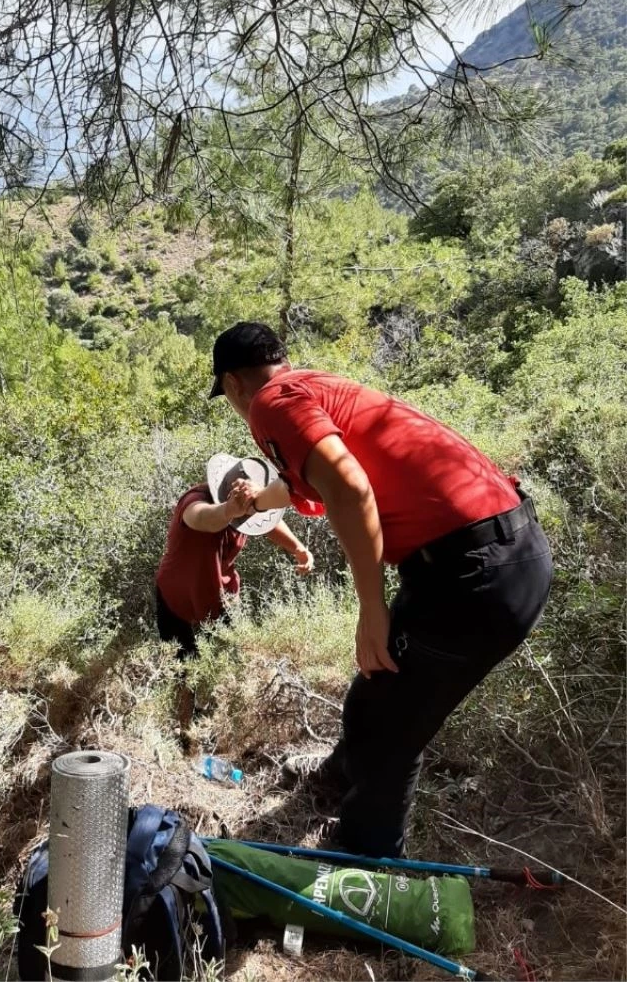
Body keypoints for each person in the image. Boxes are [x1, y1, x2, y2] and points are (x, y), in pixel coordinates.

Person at [208, 321, 553, 857]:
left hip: (474, 572)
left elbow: (348, 485)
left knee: (388, 719)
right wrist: (260, 500)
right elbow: (320, 478)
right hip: (507, 552)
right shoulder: (313, 386)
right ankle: (335, 783)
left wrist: (371, 607)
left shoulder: (269, 403)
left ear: (232, 384)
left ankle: (368, 875)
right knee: (379, 691)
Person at [155, 471, 314, 739]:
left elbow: (269, 522)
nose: (249, 512)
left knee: (234, 662)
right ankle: (184, 735)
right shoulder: (195, 500)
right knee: (184, 669)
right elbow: (203, 518)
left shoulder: (250, 509)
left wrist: (298, 548)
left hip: (220, 595)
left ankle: (229, 730)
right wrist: (230, 509)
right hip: (176, 595)